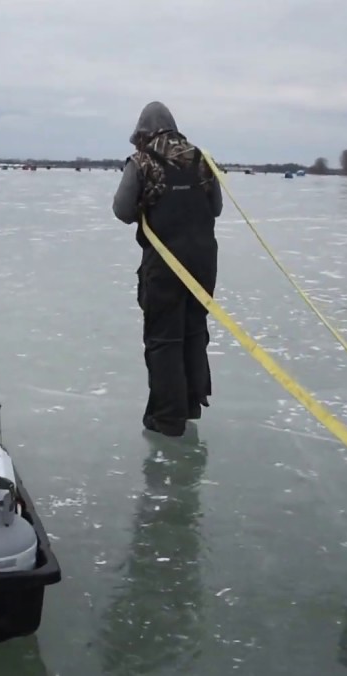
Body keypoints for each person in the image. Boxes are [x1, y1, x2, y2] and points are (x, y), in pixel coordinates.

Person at [111, 101, 223, 437]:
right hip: (203, 262)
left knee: (163, 338)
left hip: (164, 264)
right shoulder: (201, 159)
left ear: (142, 132)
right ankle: (189, 404)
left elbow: (122, 210)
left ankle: (167, 417)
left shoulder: (141, 161)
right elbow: (215, 208)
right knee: (193, 331)